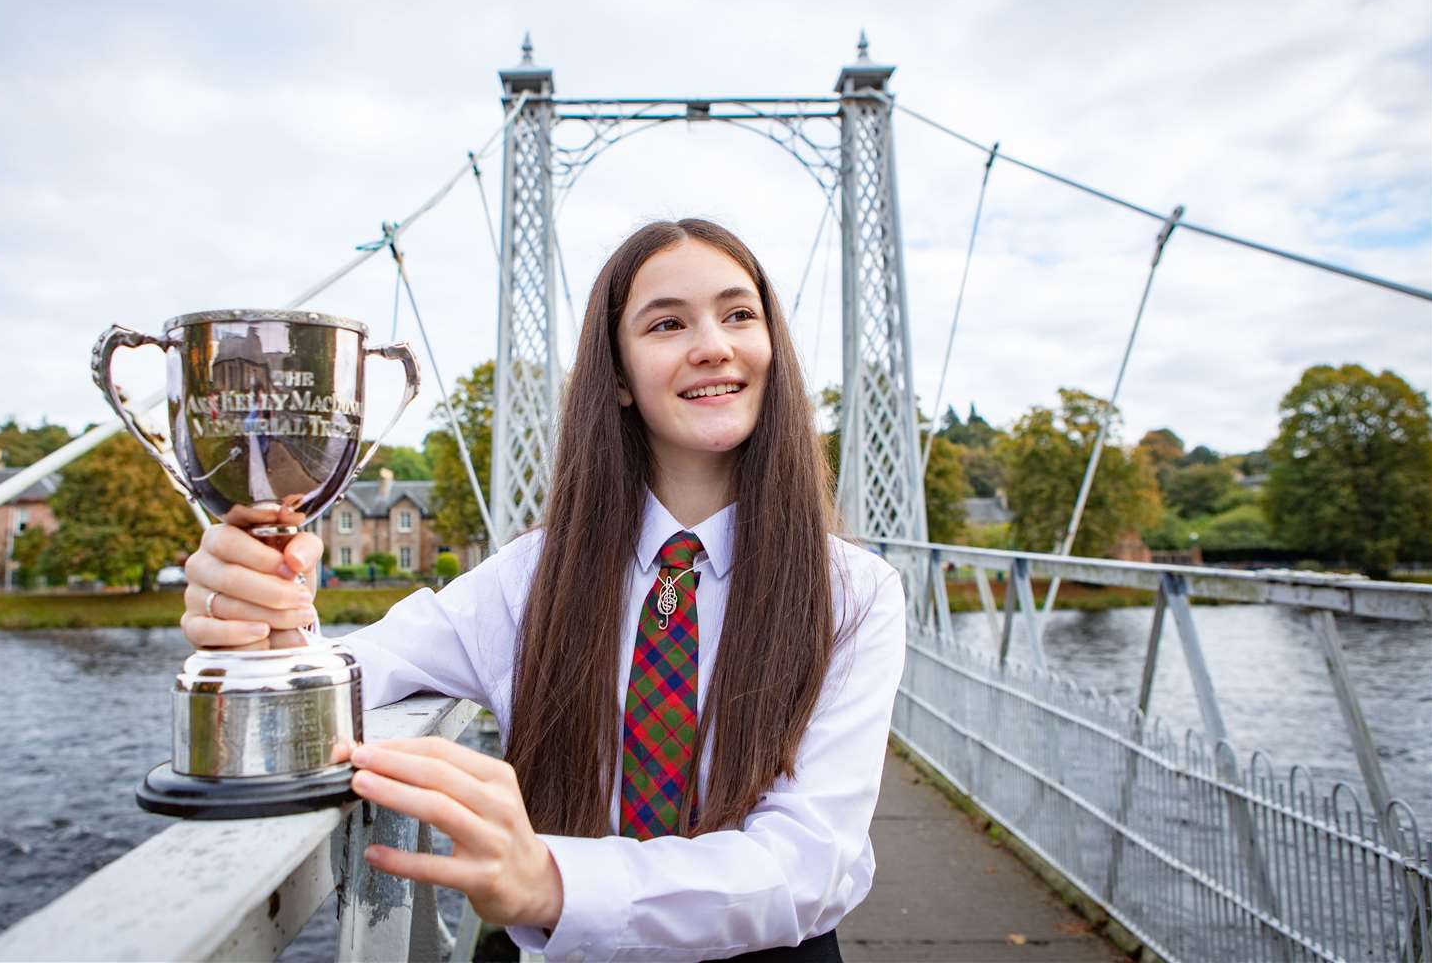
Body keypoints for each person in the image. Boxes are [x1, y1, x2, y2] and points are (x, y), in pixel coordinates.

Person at [180, 219, 907, 962]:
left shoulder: (853, 592)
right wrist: (264, 626)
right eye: (666, 323)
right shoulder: (532, 578)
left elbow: (812, 859)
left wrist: (557, 883)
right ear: (619, 377)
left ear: (771, 350)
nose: (713, 344)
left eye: (738, 314)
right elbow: (355, 674)